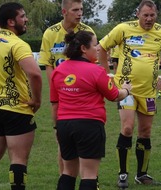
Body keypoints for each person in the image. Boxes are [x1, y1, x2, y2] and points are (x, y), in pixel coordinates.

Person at [98, 0, 161, 188]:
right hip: (126, 89)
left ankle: (142, 174)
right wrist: (106, 73)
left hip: (149, 91)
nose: (149, 19)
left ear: (156, 15)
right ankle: (123, 175)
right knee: (127, 128)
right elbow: (102, 47)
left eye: (152, 15)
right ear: (138, 14)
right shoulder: (124, 29)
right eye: (145, 15)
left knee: (145, 132)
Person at [0, 2, 42, 189]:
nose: (26, 19)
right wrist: (36, 99)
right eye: (22, 16)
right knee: (18, 159)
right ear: (11, 21)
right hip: (17, 109)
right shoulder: (18, 44)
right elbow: (35, 73)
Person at [50, 30, 132, 190]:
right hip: (89, 125)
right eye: (95, 45)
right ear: (83, 48)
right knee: (88, 174)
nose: (99, 49)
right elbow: (115, 95)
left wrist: (57, 128)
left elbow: (55, 104)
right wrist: (127, 89)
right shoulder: (96, 71)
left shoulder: (59, 70)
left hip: (64, 125)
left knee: (67, 172)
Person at [38, 0, 95, 176]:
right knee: (62, 142)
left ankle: (92, 180)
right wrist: (55, 88)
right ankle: (65, 178)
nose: (79, 13)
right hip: (61, 93)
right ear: (64, 11)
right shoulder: (51, 33)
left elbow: (93, 62)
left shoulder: (87, 32)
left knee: (88, 140)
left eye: (81, 10)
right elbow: (48, 64)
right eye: (75, 10)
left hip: (84, 93)